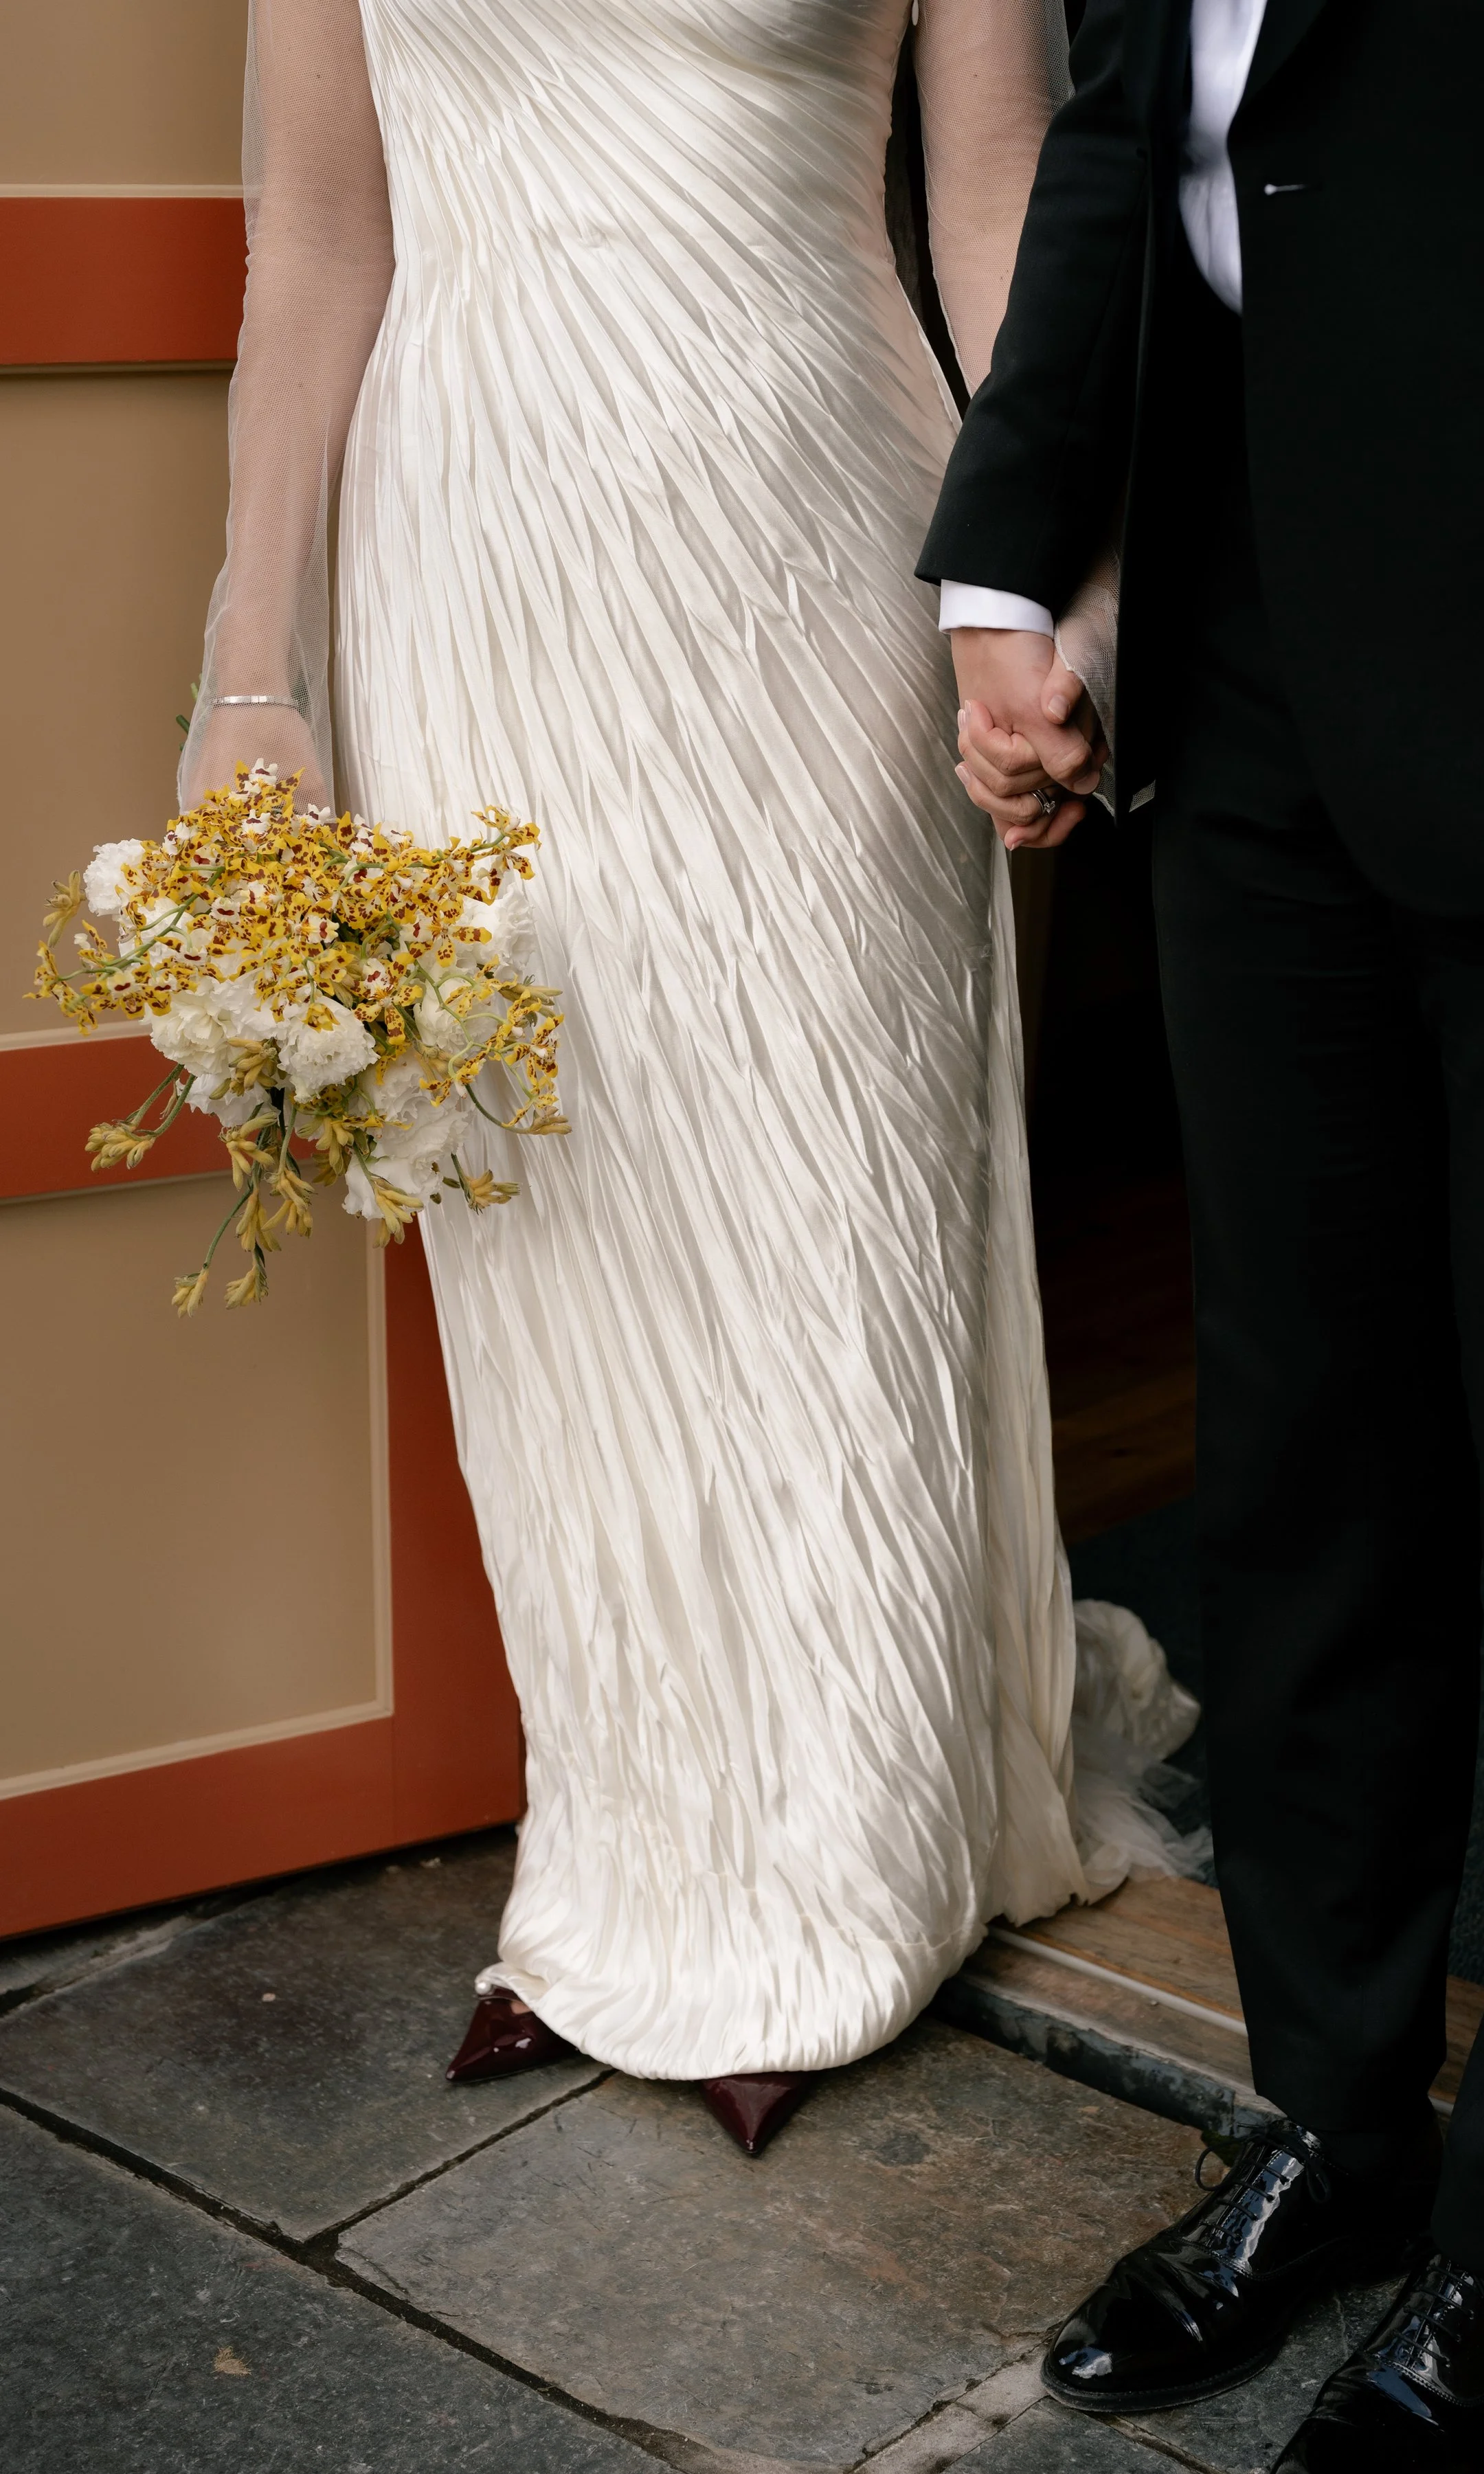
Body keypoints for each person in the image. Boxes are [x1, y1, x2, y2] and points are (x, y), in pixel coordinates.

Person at [181, 0, 1201, 2158]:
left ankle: (846, 1879)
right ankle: (630, 1869)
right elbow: (319, 234)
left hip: (819, 539)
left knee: (840, 1198)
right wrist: (249, 677)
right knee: (570, 1245)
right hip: (471, 558)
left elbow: (1004, 185)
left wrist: (1067, 582)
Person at [922, 0, 1484, 2474]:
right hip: (1246, 706)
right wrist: (1003, 565)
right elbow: (1129, 134)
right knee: (1296, 1480)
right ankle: (1336, 2133)